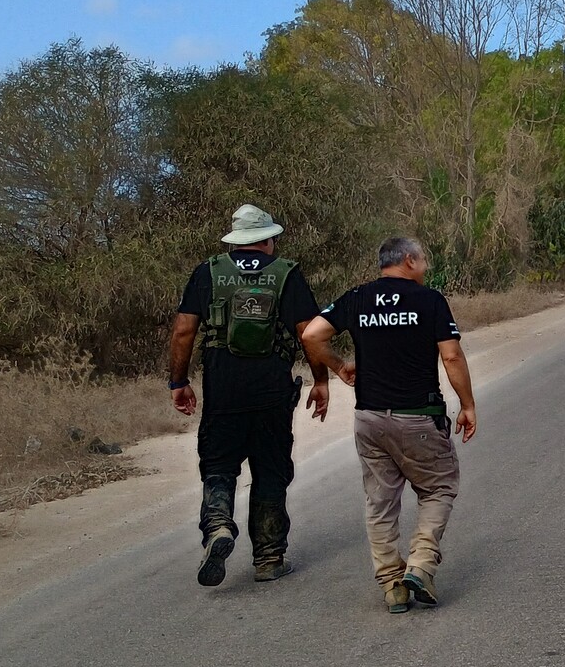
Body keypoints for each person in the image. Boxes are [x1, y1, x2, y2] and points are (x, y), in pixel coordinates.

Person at [301, 236, 477, 614]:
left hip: (370, 418)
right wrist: (467, 404)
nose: (426, 267)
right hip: (419, 417)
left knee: (380, 502)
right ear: (409, 260)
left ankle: (392, 584)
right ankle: (421, 564)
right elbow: (451, 355)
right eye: (424, 259)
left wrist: (337, 367)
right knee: (439, 488)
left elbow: (311, 334)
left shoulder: (358, 298)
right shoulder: (429, 301)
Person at [168, 204, 329, 587]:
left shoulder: (207, 272)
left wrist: (179, 381)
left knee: (220, 465)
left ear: (237, 241)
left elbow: (183, 332)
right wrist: (321, 380)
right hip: (272, 394)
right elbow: (310, 333)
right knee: (271, 471)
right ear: (267, 240)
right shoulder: (286, 273)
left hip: (223, 393)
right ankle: (269, 559)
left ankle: (219, 526)